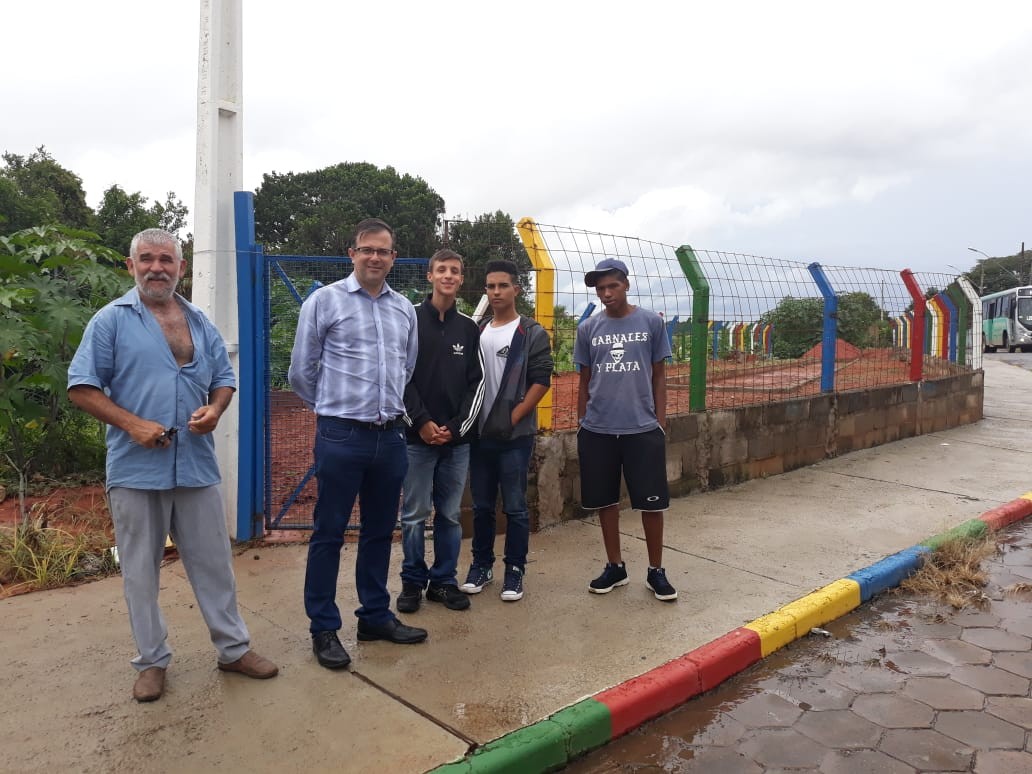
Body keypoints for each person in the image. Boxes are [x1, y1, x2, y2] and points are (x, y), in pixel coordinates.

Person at [67, 228, 278, 703]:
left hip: (196, 465)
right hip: (136, 469)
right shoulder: (110, 321)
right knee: (140, 572)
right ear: (131, 266)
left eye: (166, 259)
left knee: (215, 564)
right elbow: (81, 386)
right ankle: (151, 661)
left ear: (181, 267)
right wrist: (133, 424)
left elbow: (224, 379)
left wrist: (216, 409)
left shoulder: (199, 322)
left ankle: (233, 650)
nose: (157, 267)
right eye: (147, 259)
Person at [289, 217, 427, 671]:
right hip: (341, 435)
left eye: (383, 251)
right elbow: (301, 371)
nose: (374, 257)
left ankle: (374, 616)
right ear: (352, 254)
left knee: (379, 530)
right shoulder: (324, 301)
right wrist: (333, 407)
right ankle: (324, 627)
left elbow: (406, 368)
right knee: (329, 532)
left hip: (390, 436)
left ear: (393, 258)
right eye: (366, 249)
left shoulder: (404, 309)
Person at [574, 258, 678, 602]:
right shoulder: (588, 328)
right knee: (605, 501)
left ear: (626, 285)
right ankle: (615, 566)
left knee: (651, 503)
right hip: (598, 429)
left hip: (642, 428)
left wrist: (660, 422)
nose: (606, 293)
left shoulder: (650, 322)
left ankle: (656, 570)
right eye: (600, 288)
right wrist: (582, 423)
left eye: (612, 286)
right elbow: (584, 380)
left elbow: (659, 376)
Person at [396, 249, 485, 613]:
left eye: (455, 271)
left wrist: (454, 428)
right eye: (442, 269)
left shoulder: (469, 328)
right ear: (430, 276)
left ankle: (444, 581)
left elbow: (477, 384)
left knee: (449, 515)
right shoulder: (410, 321)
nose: (448, 275)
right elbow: (399, 377)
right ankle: (412, 582)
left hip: (455, 443)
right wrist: (421, 423)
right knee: (414, 515)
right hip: (416, 440)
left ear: (461, 279)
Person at [460, 259, 553, 602]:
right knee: (482, 506)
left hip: (515, 438)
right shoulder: (477, 330)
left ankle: (515, 570)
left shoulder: (531, 333)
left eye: (503, 285)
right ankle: (481, 566)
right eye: (490, 286)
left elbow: (541, 380)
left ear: (516, 288)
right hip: (479, 436)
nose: (496, 292)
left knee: (514, 506)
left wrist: (512, 418)